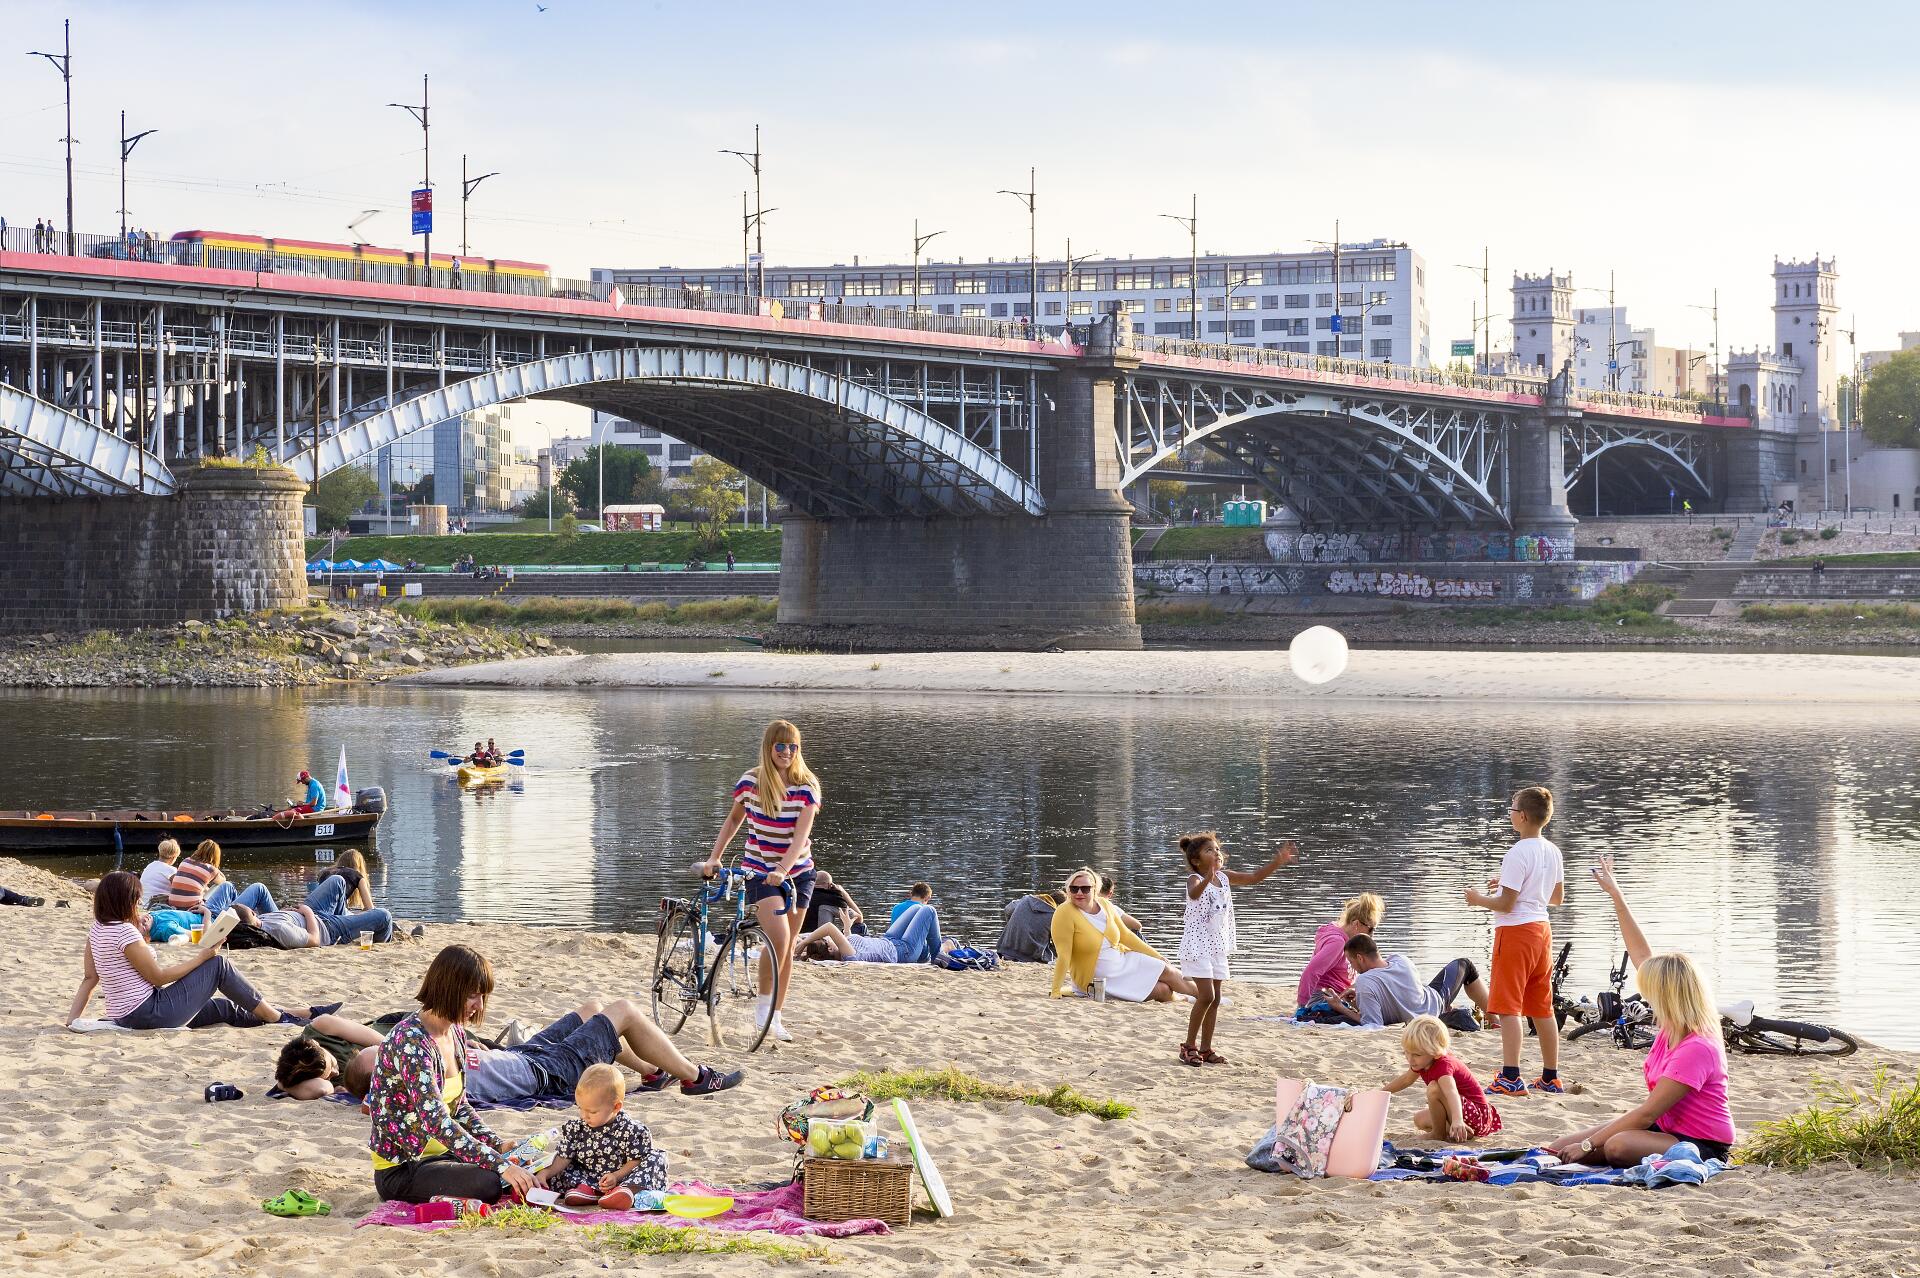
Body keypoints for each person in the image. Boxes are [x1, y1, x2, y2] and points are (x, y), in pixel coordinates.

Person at [1545, 857, 1735, 1166]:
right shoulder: (1671, 1027)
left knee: (1616, 1146)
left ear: (1668, 995)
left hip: (1701, 1143)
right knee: (1557, 1147)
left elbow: (1647, 1112)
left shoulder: (1698, 1046)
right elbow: (1642, 955)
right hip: (1666, 1129)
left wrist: (1590, 1145)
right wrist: (1616, 895)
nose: (1645, 993)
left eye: (1651, 989)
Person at [277, 997, 741, 1102]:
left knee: (592, 1009)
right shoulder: (408, 1080)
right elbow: (313, 1089)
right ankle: (695, 1077)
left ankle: (652, 1071)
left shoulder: (396, 1060)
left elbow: (316, 1078)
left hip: (527, 1057)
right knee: (620, 1011)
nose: (400, 1053)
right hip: (544, 1075)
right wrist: (309, 1081)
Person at [366, 945, 535, 1205]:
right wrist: (499, 1164)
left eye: (482, 997)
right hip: (405, 1167)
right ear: (448, 989)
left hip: (444, 1155)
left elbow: (460, 1107)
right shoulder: (411, 1042)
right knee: (490, 1182)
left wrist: (497, 1145)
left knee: (519, 1167)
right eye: (472, 996)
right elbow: (437, 1121)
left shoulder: (455, 1033)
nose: (478, 1006)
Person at [65, 871, 337, 1031]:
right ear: (126, 902)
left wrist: (72, 1020)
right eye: (136, 900)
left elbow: (90, 979)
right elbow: (158, 977)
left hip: (132, 1012)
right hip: (147, 1014)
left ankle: (300, 1014)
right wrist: (202, 957)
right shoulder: (125, 933)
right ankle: (279, 1019)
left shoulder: (97, 931)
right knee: (218, 966)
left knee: (224, 1007)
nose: (139, 904)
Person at [701, 718, 821, 1043]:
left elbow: (800, 837)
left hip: (798, 872)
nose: (786, 752)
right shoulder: (750, 782)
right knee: (778, 938)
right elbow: (733, 819)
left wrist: (784, 867)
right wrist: (715, 857)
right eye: (780, 745)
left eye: (793, 746)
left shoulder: (807, 786)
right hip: (759, 870)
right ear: (769, 747)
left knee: (789, 947)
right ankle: (762, 1012)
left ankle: (776, 1017)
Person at [1465, 785, 1566, 1097]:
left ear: (1522, 816)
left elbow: (1506, 905)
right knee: (1542, 1007)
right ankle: (1551, 1077)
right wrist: (1512, 886)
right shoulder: (1552, 850)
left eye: (1511, 808)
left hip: (1515, 933)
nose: (1508, 813)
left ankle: (1511, 1076)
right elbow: (1556, 897)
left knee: (1509, 1007)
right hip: (1541, 931)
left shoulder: (1517, 852)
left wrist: (1478, 898)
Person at [1177, 833, 1298, 1067]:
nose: (1216, 853)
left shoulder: (1224, 877)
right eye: (1209, 851)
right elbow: (1194, 894)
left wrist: (1277, 861)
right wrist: (1207, 878)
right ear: (1196, 860)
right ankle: (1188, 1046)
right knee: (1206, 996)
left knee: (1216, 999)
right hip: (1197, 945)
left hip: (1217, 946)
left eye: (1217, 849)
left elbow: (1254, 877)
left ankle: (1205, 1049)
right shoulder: (1193, 879)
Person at [1050, 867, 1196, 1003]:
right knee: (1163, 990)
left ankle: (1208, 996)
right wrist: (1056, 990)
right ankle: (1184, 998)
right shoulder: (1064, 913)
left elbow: (1125, 935)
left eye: (1085, 888)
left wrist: (1156, 955)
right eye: (1074, 889)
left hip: (1122, 961)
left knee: (1165, 968)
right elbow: (1064, 955)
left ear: (1094, 889)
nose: (1079, 893)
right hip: (1099, 979)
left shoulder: (1105, 905)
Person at [534, 1063, 665, 1209]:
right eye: (580, 1108)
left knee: (656, 1158)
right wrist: (544, 1174)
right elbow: (563, 1157)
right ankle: (588, 1191)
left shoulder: (631, 1130)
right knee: (557, 1163)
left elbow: (636, 1160)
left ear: (616, 1107)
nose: (584, 1116)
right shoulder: (577, 1128)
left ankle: (628, 1192)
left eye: (592, 1112)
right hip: (587, 1176)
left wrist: (616, 1176)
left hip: (622, 1178)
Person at [1379, 1014, 1502, 1142]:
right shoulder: (1423, 1062)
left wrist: (1457, 1119)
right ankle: (1461, 1131)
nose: (1410, 1059)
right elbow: (1406, 1080)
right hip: (1461, 1111)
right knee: (1419, 1119)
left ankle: (1439, 1134)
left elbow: (1451, 1092)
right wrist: (1379, 1093)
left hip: (1475, 1114)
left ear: (1435, 1052)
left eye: (1417, 1054)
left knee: (1434, 1088)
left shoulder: (1444, 1066)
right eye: (1407, 1052)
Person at [1329, 935, 1489, 1030]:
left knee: (1463, 965)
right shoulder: (1400, 959)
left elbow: (1373, 1024)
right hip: (1433, 1002)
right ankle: (1494, 1019)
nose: (1352, 967)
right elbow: (1402, 995)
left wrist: (1341, 1007)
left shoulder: (1365, 981)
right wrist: (1359, 1002)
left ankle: (1489, 1019)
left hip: (1427, 1012)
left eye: (1351, 962)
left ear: (1360, 958)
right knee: (1465, 964)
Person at [1296, 893, 1384, 1010]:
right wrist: (1301, 1006)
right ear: (1356, 924)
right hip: (1324, 998)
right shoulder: (1337, 943)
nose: (1372, 935)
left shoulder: (1348, 941)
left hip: (1340, 995)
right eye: (1370, 929)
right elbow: (1310, 972)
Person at [798, 901, 947, 964]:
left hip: (890, 940)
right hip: (904, 951)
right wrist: (804, 943)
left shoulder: (844, 948)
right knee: (929, 910)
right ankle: (937, 956)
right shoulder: (848, 955)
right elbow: (829, 927)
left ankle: (927, 951)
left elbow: (847, 938)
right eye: (828, 940)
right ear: (830, 948)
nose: (830, 938)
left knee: (916, 908)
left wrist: (846, 926)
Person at [304, 848, 394, 944]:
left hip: (316, 914)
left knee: (345, 911)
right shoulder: (356, 875)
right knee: (381, 915)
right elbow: (369, 908)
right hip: (327, 924)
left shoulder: (325, 872)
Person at [168, 840, 275, 916]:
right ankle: (242, 911)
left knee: (220, 888)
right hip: (195, 909)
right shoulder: (210, 869)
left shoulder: (185, 861)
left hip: (175, 906)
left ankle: (241, 909)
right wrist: (214, 867)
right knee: (228, 886)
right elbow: (222, 880)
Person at [802, 869, 864, 934]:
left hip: (799, 937)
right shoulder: (833, 898)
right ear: (829, 885)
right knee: (861, 926)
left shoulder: (802, 896)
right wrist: (844, 894)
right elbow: (859, 918)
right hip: (823, 940)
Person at [138, 837, 184, 907]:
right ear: (174, 857)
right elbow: (180, 890)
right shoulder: (171, 870)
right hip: (155, 905)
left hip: (143, 904)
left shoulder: (150, 865)